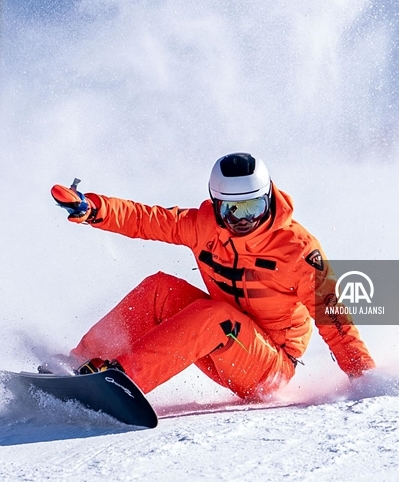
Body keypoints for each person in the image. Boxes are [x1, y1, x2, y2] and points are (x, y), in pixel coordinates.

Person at [49, 152, 376, 399]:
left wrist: (365, 379)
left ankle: (121, 383)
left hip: (269, 367)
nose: (241, 220)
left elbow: (335, 319)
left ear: (269, 198)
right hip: (219, 342)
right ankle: (77, 365)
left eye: (252, 208)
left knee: (217, 316)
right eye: (230, 209)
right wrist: (93, 208)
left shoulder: (297, 250)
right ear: (215, 202)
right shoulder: (204, 226)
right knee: (160, 289)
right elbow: (147, 219)